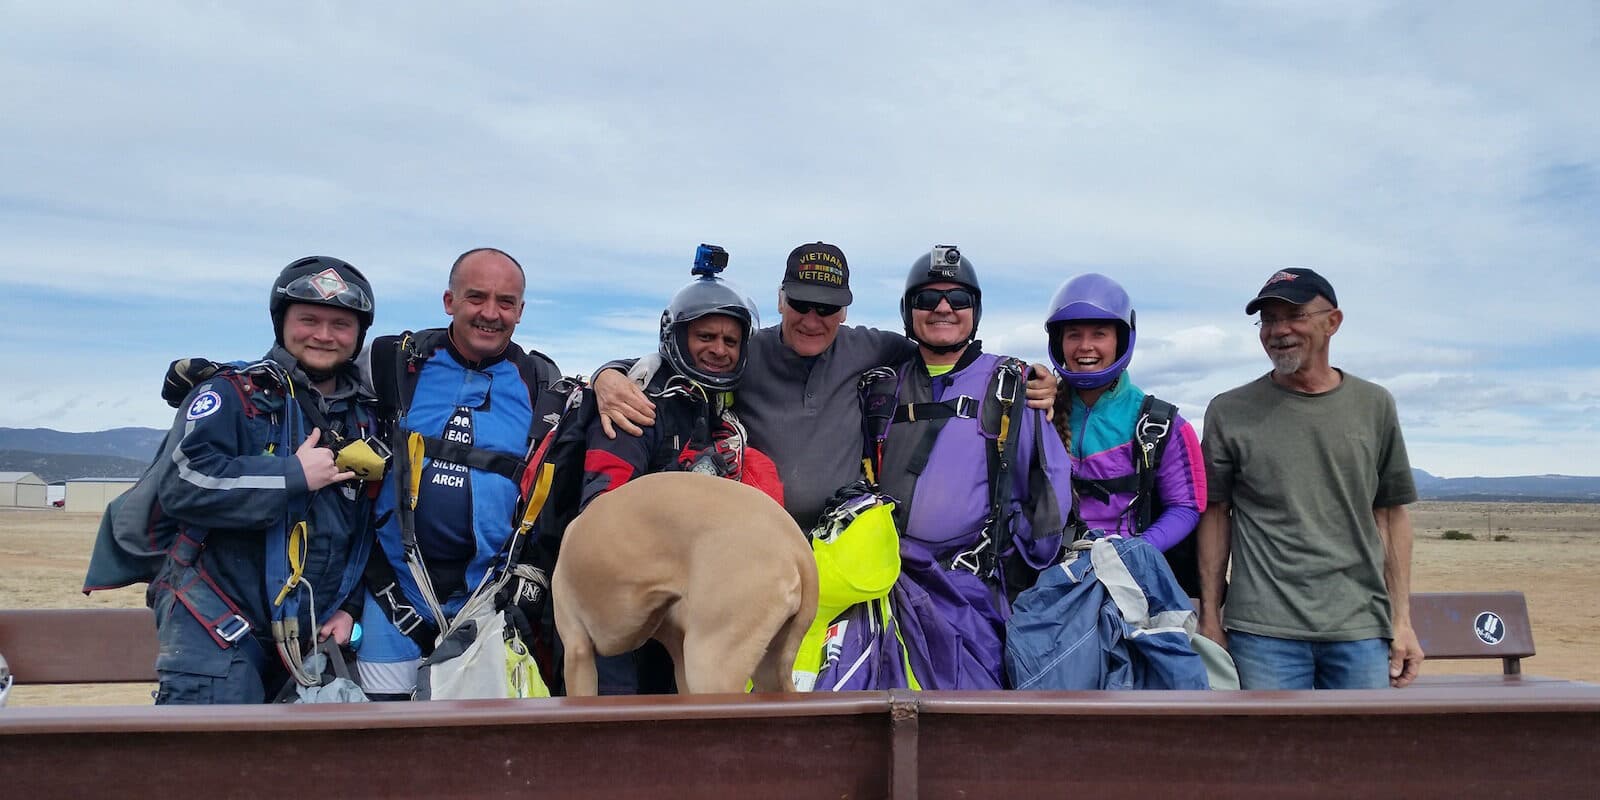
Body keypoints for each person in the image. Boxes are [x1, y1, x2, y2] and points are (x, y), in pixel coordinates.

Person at [593, 241, 1058, 534]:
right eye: (801, 303)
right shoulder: (742, 350)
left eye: (828, 308)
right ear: (780, 299)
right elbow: (671, 360)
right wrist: (606, 375)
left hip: (840, 538)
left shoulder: (871, 349)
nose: (813, 319)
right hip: (755, 538)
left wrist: (1035, 378)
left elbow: (947, 349)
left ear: (845, 312)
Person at [148, 256, 381, 704]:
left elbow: (370, 528)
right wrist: (291, 475)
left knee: (303, 773)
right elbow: (182, 484)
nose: (323, 335)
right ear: (281, 323)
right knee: (211, 767)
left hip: (313, 642)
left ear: (358, 336)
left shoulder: (367, 419)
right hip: (216, 631)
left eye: (340, 324)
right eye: (308, 320)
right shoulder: (234, 394)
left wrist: (351, 609)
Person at [356, 247, 568, 699]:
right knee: (381, 745)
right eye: (476, 297)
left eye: (506, 302)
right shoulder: (392, 361)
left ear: (521, 311)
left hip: (487, 603)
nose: (490, 314)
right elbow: (314, 370)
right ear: (449, 301)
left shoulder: (542, 382)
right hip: (393, 595)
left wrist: (611, 374)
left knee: (477, 750)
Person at [1197, 267, 1423, 689]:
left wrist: (1402, 621)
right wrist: (1211, 616)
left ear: (1332, 321)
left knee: (1361, 753)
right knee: (1267, 755)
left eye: (1295, 314)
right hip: (1262, 631)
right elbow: (1215, 515)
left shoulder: (1374, 406)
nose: (1279, 330)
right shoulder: (1229, 411)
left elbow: (1390, 516)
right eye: (1268, 319)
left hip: (1359, 628)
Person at [857, 245, 1071, 689]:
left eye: (958, 299)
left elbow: (1049, 484)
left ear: (975, 311)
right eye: (927, 299)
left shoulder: (1011, 384)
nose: (942, 308)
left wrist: (1022, 566)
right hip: (884, 584)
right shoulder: (881, 386)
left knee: (969, 720)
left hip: (973, 591)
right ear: (907, 310)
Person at [578, 248, 782, 694]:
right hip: (624, 622)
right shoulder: (636, 403)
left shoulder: (717, 416)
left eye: (731, 342)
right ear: (677, 336)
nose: (719, 350)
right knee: (626, 746)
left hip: (685, 618)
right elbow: (600, 516)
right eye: (706, 336)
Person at [1044, 273, 1207, 596]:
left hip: (1132, 583)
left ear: (1120, 339)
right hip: (1051, 579)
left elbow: (1187, 506)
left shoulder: (1162, 424)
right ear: (1059, 343)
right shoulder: (1038, 414)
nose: (1085, 346)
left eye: (1099, 334)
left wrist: (1131, 552)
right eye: (1073, 334)